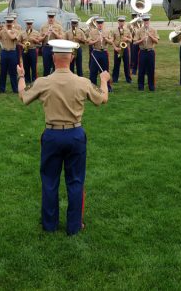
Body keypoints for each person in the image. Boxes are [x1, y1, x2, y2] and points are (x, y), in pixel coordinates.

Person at [18, 39, 110, 235]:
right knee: (75, 181)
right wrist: (104, 80)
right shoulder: (82, 82)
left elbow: (24, 97)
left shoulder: (44, 82)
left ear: (53, 57)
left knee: (50, 181)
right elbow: (102, 99)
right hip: (75, 134)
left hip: (52, 134)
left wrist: (21, 77)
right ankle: (74, 226)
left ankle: (50, 225)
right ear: (72, 58)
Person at [134, 14, 159, 91]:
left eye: (147, 20)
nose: (146, 22)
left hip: (150, 51)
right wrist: (141, 40)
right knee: (141, 69)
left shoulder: (153, 30)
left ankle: (151, 86)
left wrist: (150, 36)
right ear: (143, 21)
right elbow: (134, 42)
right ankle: (140, 86)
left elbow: (157, 41)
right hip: (142, 52)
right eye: (145, 20)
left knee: (151, 69)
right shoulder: (139, 30)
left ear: (149, 21)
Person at [87, 17, 112, 91]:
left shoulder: (107, 32)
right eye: (98, 23)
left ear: (103, 24)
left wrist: (106, 39)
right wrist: (95, 41)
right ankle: (93, 87)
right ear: (96, 24)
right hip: (96, 52)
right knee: (93, 70)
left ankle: (106, 86)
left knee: (105, 70)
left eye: (101, 23)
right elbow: (89, 42)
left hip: (104, 52)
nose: (100, 25)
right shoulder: (92, 32)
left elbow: (111, 42)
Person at [0, 16, 20, 93]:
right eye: (8, 22)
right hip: (4, 52)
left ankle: (15, 89)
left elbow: (12, 37)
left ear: (12, 22)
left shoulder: (16, 31)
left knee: (13, 72)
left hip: (12, 52)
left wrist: (6, 30)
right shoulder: (2, 31)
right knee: (3, 71)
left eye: (10, 22)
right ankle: (1, 89)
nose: (9, 23)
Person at [40, 11, 64, 76]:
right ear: (47, 17)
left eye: (52, 17)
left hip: (55, 48)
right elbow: (39, 38)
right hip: (46, 47)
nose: (51, 19)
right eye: (49, 17)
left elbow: (62, 38)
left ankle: (55, 79)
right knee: (46, 65)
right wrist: (45, 34)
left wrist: (54, 32)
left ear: (54, 17)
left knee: (56, 65)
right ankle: (46, 79)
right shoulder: (43, 26)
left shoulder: (59, 26)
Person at [111, 16, 132, 84]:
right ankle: (115, 79)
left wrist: (127, 39)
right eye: (120, 21)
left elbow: (131, 40)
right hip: (117, 49)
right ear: (118, 22)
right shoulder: (114, 31)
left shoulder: (128, 30)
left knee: (127, 64)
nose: (121, 23)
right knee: (116, 64)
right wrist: (115, 48)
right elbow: (112, 41)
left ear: (124, 22)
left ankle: (128, 79)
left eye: (122, 21)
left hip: (125, 49)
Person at [19, 19, 41, 84]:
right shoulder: (22, 33)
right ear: (26, 24)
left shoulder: (36, 32)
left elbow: (39, 43)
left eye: (30, 24)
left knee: (33, 66)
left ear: (32, 24)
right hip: (25, 50)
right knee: (26, 66)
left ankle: (34, 80)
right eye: (28, 24)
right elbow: (18, 41)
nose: (29, 25)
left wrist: (34, 39)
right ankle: (27, 80)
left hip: (32, 50)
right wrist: (22, 45)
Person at [129, 11, 140, 75]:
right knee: (133, 54)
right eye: (133, 16)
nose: (134, 17)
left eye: (135, 16)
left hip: (140, 41)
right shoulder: (130, 24)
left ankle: (140, 67)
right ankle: (133, 66)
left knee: (141, 54)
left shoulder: (140, 23)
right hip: (133, 41)